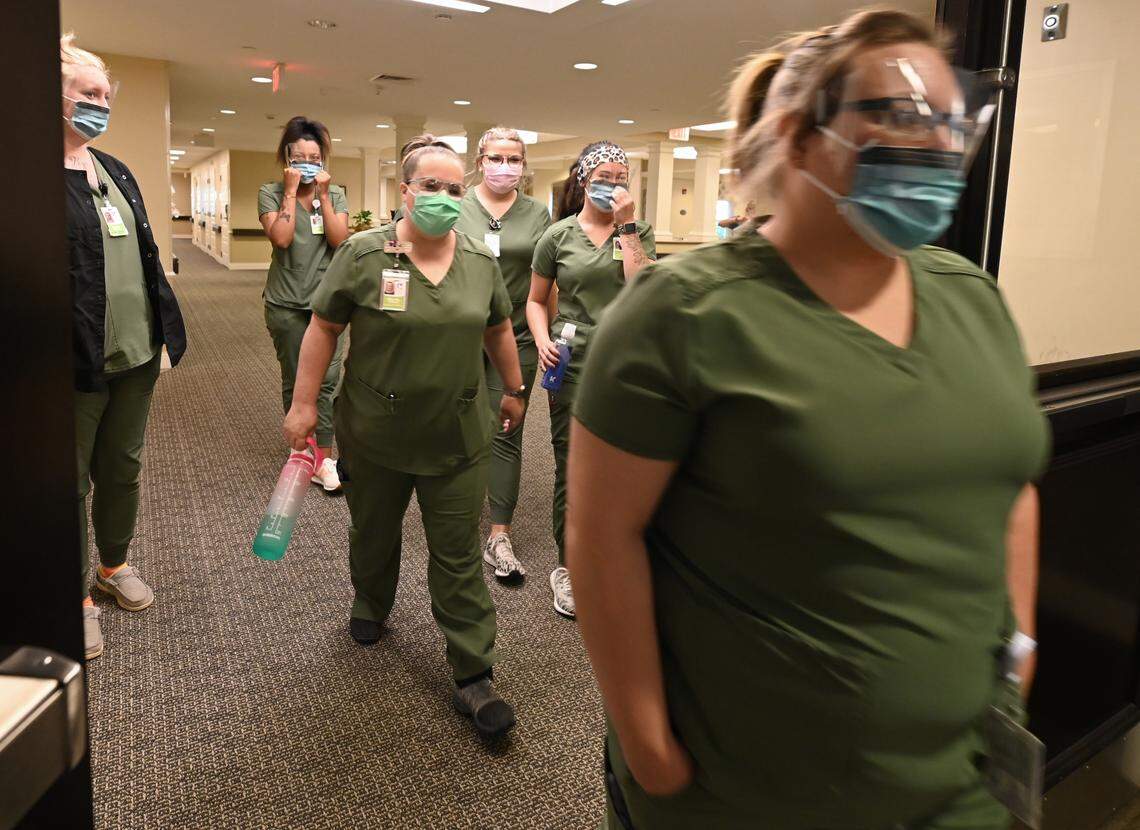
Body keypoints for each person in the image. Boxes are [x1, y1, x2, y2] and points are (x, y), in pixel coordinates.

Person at [567, 9, 1048, 829]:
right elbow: (603, 536)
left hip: (962, 776)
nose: (936, 143)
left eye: (949, 120)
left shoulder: (972, 297)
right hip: (753, 791)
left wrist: (1019, 655)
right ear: (796, 137)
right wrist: (650, 746)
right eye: (900, 115)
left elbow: (1013, 487)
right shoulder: (685, 314)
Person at [283, 135, 526, 738]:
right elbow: (322, 327)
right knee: (373, 529)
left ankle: (473, 672)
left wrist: (515, 388)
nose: (442, 197)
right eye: (430, 186)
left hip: (456, 434)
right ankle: (370, 603)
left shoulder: (478, 259)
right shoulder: (366, 255)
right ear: (406, 190)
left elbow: (498, 329)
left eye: (452, 188)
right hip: (376, 432)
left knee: (459, 556)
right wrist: (304, 403)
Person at [61, 34, 187, 660]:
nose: (100, 106)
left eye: (105, 96)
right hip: (72, 359)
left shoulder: (113, 169)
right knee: (67, 479)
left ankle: (112, 566)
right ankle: (70, 597)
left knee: (123, 466)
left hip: (135, 353)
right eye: (88, 95)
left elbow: (140, 254)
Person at [526, 141, 655, 618]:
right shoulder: (557, 236)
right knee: (572, 464)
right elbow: (536, 300)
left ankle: (614, 556)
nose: (613, 185)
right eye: (604, 176)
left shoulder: (636, 232)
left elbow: (643, 287)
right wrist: (541, 340)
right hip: (571, 360)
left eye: (622, 178)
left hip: (624, 362)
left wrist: (626, 227)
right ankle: (568, 567)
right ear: (583, 180)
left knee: (622, 463)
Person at [456, 127, 551, 582]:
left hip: (517, 338)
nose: (505, 167)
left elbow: (547, 282)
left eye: (514, 159)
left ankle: (499, 533)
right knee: (456, 425)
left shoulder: (538, 213)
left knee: (506, 430)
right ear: (480, 160)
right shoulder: (456, 205)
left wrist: (550, 333)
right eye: (497, 158)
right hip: (457, 336)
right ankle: (456, 516)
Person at [258, 116, 350, 493]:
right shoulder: (271, 191)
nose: (308, 163)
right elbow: (280, 238)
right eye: (300, 157)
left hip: (326, 304)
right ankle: (302, 452)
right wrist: (291, 193)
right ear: (287, 158)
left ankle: (323, 460)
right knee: (295, 381)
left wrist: (325, 197)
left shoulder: (337, 193)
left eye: (315, 157)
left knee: (327, 382)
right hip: (285, 303)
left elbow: (339, 239)